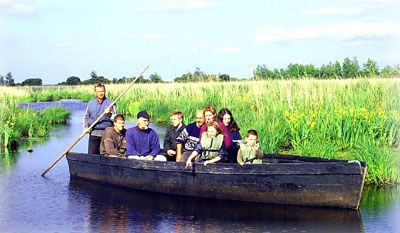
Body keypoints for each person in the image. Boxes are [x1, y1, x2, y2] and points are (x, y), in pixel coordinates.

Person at [83, 83, 117, 154]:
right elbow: (86, 117)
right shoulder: (91, 103)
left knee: (106, 155)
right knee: (92, 156)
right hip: (94, 133)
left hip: (107, 134)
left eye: (102, 91)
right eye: (98, 91)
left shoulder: (110, 103)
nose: (100, 93)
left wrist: (109, 114)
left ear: (105, 91)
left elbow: (116, 119)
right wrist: (86, 127)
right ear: (95, 92)